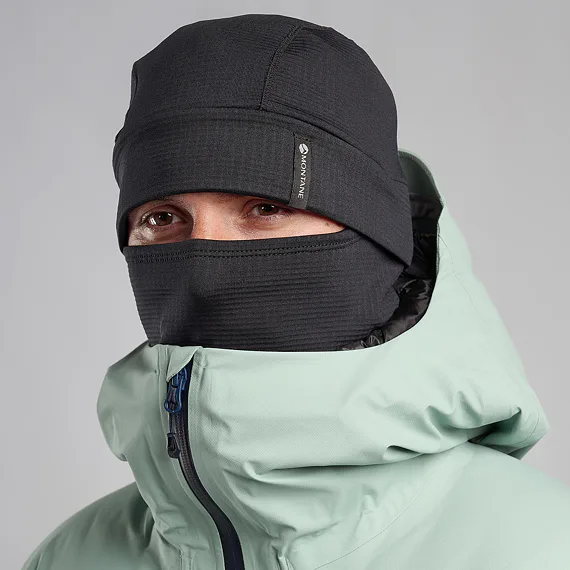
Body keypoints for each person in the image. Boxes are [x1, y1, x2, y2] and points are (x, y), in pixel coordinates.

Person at [22, 13, 570, 570]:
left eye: (266, 207)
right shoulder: (69, 558)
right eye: (162, 218)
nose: (206, 270)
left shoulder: (542, 548)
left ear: (376, 240)